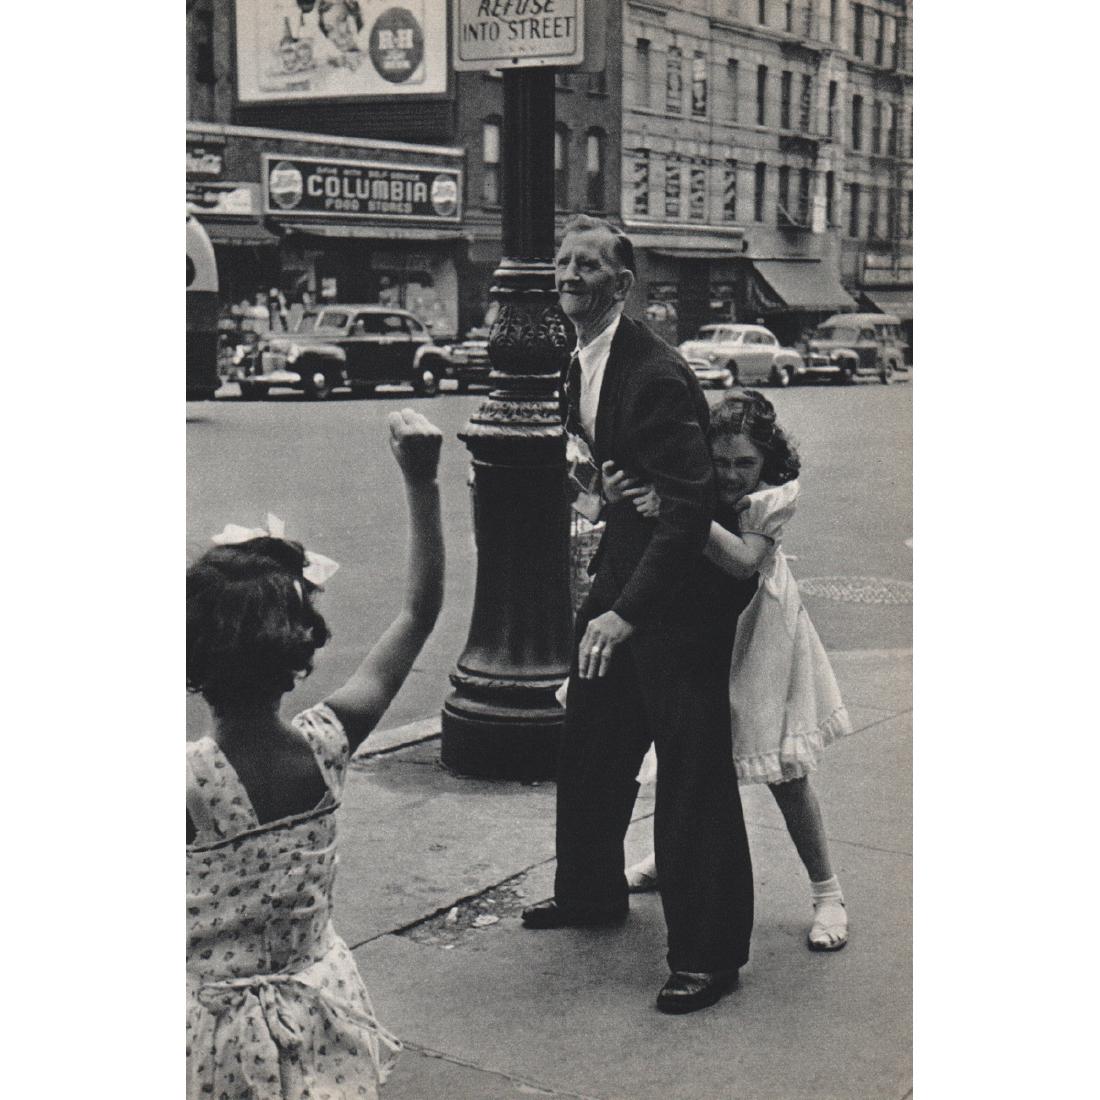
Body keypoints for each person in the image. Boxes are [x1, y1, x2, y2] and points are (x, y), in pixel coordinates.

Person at [521, 215, 757, 1015]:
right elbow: (598, 465)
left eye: (588, 266)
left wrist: (623, 616)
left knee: (691, 778)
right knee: (592, 740)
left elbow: (689, 511)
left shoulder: (654, 372)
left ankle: (709, 957)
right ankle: (589, 893)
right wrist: (605, 489)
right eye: (563, 261)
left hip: (677, 603)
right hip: (625, 573)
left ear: (621, 285)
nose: (569, 274)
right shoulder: (583, 357)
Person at [186, 409, 444, 1099]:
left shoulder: (188, 783)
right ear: (299, 652)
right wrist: (422, 483)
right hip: (320, 1009)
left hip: (214, 1037)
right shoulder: (327, 742)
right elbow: (419, 613)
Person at [605, 390, 852, 951]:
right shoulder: (688, 479)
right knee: (683, 750)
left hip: (760, 633)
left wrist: (681, 509)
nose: (734, 475)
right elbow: (609, 514)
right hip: (699, 627)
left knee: (783, 768)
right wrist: (614, 495)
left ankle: (827, 892)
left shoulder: (771, 498)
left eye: (746, 463)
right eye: (721, 462)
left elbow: (743, 562)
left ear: (767, 461)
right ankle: (671, 857)